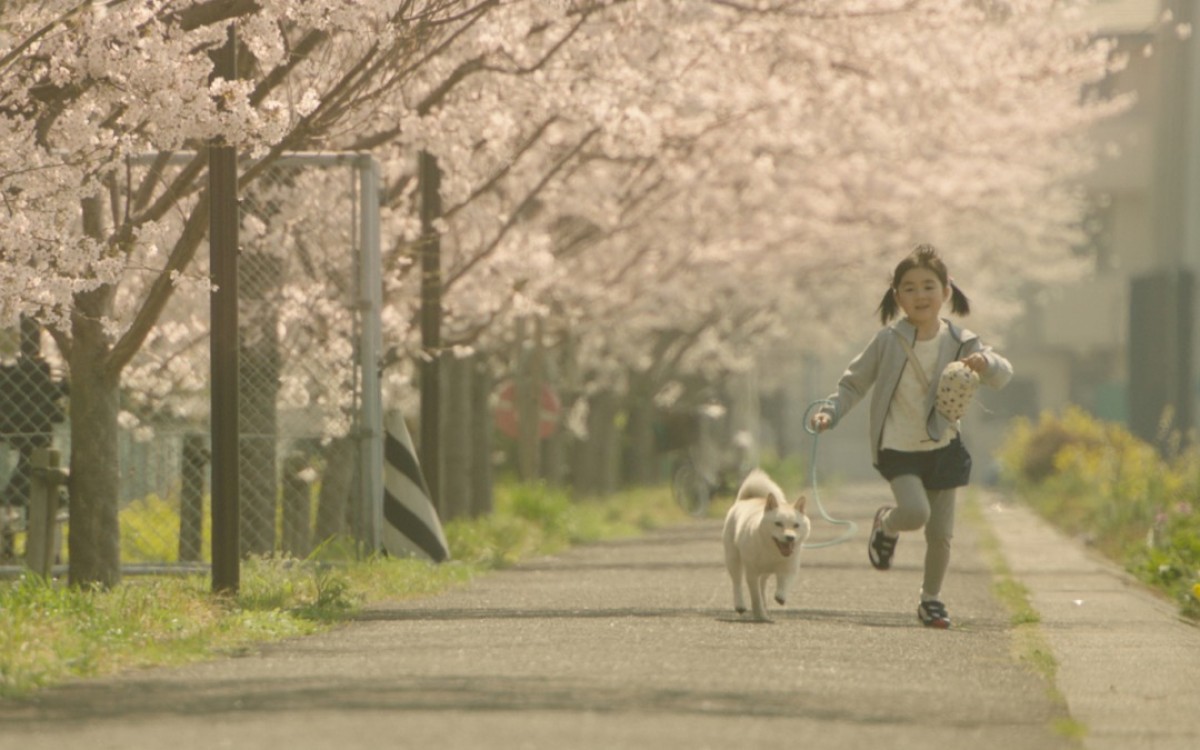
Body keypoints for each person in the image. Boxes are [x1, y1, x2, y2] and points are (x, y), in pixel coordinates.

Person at [809, 244, 1012, 629]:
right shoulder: (888, 341)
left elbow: (1003, 375)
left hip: (943, 445)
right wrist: (829, 413)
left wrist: (987, 362)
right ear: (897, 296)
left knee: (941, 534)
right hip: (897, 447)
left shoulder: (962, 340)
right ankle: (887, 523)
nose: (920, 295)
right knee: (916, 513)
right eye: (910, 288)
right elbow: (853, 384)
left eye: (928, 286)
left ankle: (931, 599)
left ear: (946, 291)